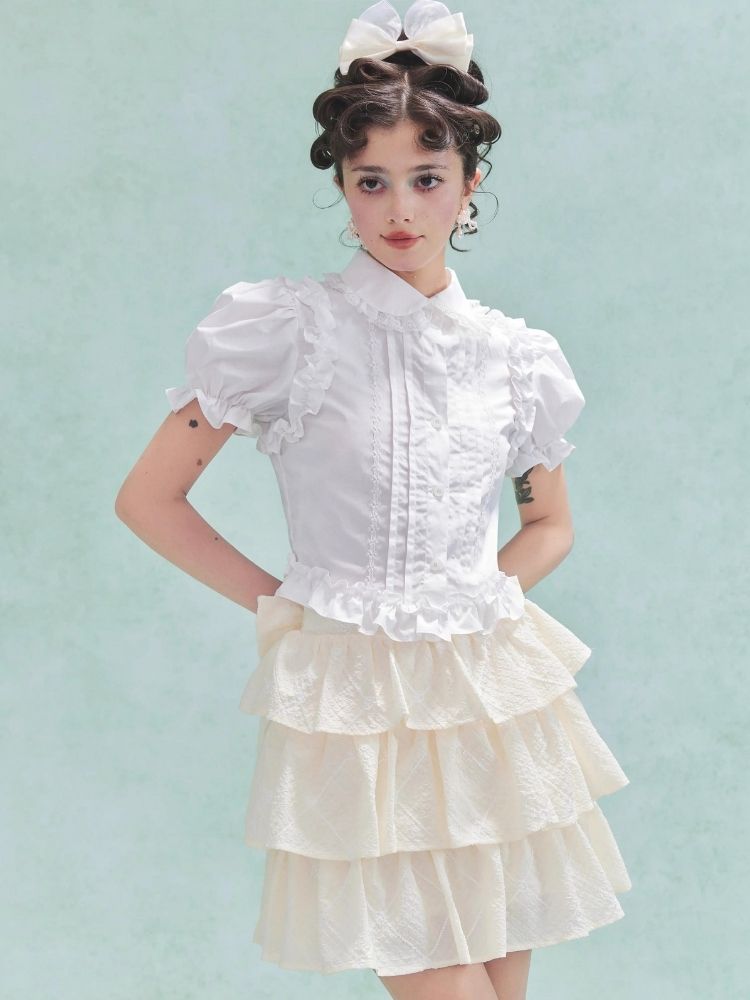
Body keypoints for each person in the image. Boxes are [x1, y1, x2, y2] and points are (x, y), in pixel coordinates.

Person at [114, 1, 632, 997]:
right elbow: (150, 498)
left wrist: (478, 595)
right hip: (354, 707)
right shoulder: (286, 330)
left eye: (427, 178)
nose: (400, 208)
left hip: (486, 699)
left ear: (469, 185)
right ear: (343, 188)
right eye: (372, 181)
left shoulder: (516, 359)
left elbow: (549, 523)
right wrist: (289, 604)